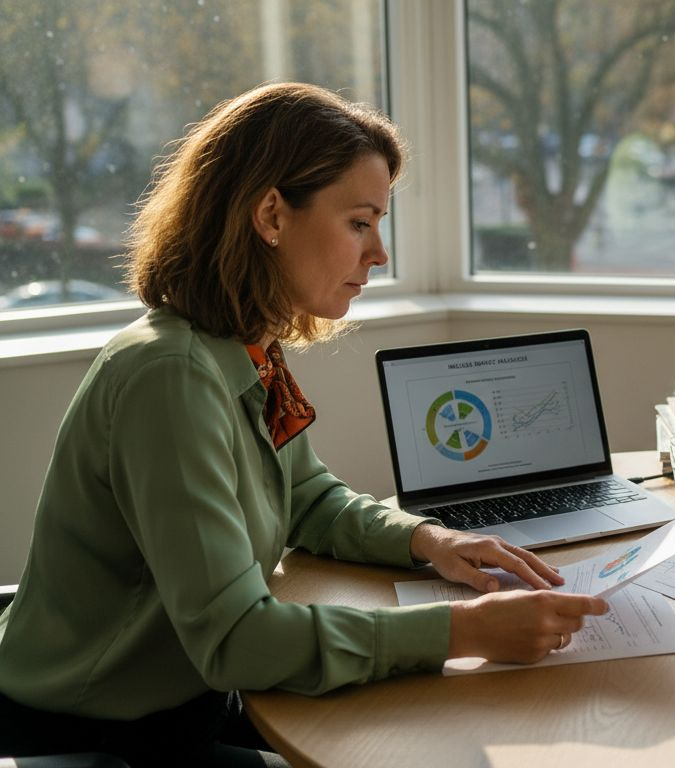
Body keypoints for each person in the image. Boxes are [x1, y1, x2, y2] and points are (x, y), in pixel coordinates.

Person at [0, 83, 608, 766]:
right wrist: (458, 631)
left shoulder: (241, 346)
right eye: (359, 222)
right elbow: (236, 641)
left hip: (190, 698)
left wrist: (430, 540)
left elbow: (306, 495)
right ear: (271, 214)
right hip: (103, 730)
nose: (378, 253)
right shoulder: (169, 378)